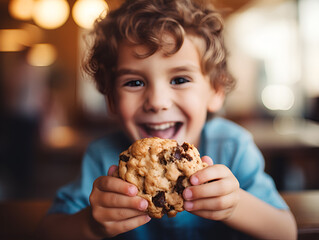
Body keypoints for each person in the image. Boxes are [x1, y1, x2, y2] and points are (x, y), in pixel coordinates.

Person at [36, 0, 297, 239]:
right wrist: (92, 225)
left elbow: (286, 232)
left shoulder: (233, 146)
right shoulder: (102, 157)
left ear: (216, 91)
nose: (157, 101)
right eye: (135, 82)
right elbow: (49, 231)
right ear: (111, 100)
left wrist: (236, 204)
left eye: (180, 80)